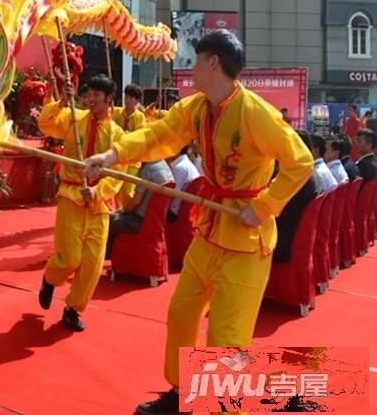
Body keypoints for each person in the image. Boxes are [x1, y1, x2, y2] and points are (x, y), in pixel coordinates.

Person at [84, 30, 313, 415]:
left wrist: (264, 205)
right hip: (209, 229)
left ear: (213, 63)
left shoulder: (257, 113)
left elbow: (301, 162)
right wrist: (112, 155)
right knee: (182, 313)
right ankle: (181, 392)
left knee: (227, 336)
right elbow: (160, 135)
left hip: (246, 238)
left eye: (196, 60)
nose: (190, 68)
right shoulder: (196, 108)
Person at [36, 74, 125, 332]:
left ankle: (73, 309)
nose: (91, 99)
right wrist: (63, 101)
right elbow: (46, 124)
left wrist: (98, 192)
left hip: (98, 204)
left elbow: (121, 171)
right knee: (70, 257)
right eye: (89, 95)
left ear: (109, 99)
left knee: (92, 265)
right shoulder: (74, 120)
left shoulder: (117, 135)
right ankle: (50, 278)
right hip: (71, 196)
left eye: (97, 95)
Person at [106, 159, 174, 257]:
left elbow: (135, 203)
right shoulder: (166, 167)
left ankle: (110, 261)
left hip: (139, 222)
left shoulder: (148, 169)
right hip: (155, 222)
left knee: (107, 220)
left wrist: (121, 211)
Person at [273, 131, 322, 264]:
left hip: (286, 239)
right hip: (299, 235)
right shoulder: (310, 172)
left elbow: (276, 211)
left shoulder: (297, 177)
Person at [113, 83, 147, 210]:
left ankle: (128, 213)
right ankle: (117, 212)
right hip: (118, 158)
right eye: (126, 97)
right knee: (115, 189)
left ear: (137, 101)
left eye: (131, 98)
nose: (127, 100)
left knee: (127, 190)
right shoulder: (116, 112)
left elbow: (139, 136)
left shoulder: (140, 117)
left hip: (132, 160)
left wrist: (124, 135)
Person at [166, 146, 200, 222]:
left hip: (173, 214)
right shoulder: (186, 164)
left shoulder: (179, 167)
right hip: (184, 213)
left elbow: (171, 195)